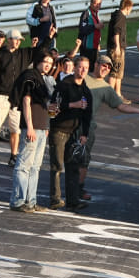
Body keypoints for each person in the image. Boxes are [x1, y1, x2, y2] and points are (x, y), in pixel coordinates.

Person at [78, 55, 139, 200]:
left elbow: (121, 106)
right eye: (103, 65)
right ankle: (58, 192)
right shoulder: (82, 77)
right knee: (64, 158)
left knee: (83, 159)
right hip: (68, 124)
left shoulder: (106, 88)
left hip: (87, 128)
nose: (105, 69)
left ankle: (78, 188)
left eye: (108, 67)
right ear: (96, 64)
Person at [8, 52, 56, 212]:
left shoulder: (45, 80)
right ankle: (18, 201)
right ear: (38, 62)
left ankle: (31, 201)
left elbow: (48, 106)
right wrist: (29, 126)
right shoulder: (31, 78)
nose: (48, 65)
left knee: (35, 166)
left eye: (50, 63)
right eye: (45, 61)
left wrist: (47, 126)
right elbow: (26, 101)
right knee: (24, 165)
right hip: (32, 127)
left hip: (42, 128)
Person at [49, 56, 92, 211]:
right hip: (59, 130)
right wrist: (73, 105)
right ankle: (55, 199)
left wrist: (84, 134)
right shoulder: (64, 85)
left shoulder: (86, 90)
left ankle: (72, 201)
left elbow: (87, 114)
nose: (83, 70)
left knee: (73, 166)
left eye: (86, 68)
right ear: (74, 68)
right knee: (57, 166)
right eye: (80, 67)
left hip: (74, 133)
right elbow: (52, 108)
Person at [0, 29, 36, 167]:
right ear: (9, 40)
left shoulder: (23, 54)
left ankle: (13, 155)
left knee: (15, 129)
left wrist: (47, 38)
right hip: (1, 95)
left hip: (16, 97)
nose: (17, 42)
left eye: (19, 40)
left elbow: (39, 51)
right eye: (15, 39)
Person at [106, 0, 134, 101]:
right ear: (127, 7)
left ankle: (117, 94)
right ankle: (111, 95)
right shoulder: (120, 17)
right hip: (116, 48)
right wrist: (117, 46)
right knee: (114, 71)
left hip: (118, 47)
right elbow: (116, 32)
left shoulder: (118, 16)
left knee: (119, 72)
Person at [76, 0, 103, 71]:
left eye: (99, 4)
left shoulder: (96, 13)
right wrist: (95, 26)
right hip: (87, 47)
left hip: (94, 46)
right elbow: (82, 29)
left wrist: (98, 43)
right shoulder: (86, 13)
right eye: (95, 3)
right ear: (91, 3)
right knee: (86, 69)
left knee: (94, 69)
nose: (97, 5)